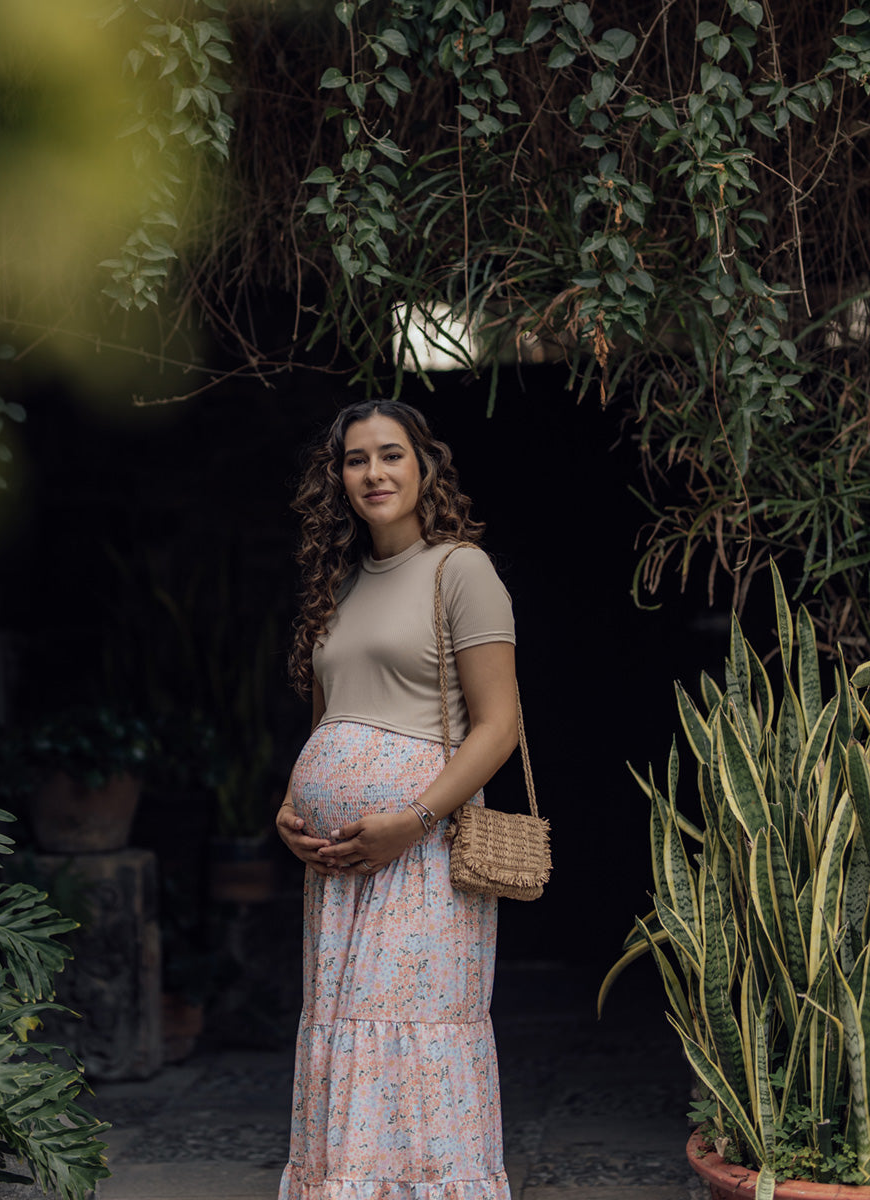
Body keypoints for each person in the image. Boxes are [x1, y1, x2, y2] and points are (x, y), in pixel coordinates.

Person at [276, 399, 519, 1200]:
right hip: (339, 861)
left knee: (410, 1044)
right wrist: (291, 806)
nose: (373, 473)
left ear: (425, 468)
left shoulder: (461, 569)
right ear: (336, 477)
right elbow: (330, 715)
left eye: (390, 455)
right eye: (355, 459)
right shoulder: (338, 583)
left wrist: (412, 822)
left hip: (423, 858)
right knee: (345, 1042)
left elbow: (499, 726)